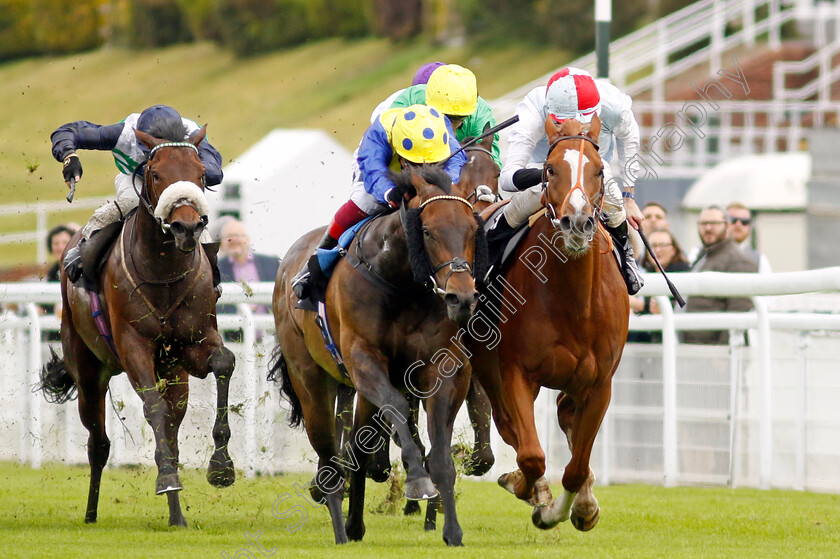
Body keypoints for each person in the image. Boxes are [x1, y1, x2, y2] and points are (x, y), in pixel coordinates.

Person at [291, 104, 466, 300]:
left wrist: (442, 187)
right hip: (380, 172)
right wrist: (389, 193)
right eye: (416, 163)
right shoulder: (379, 133)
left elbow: (458, 159)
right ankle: (313, 264)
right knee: (363, 203)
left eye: (428, 163)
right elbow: (372, 170)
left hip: (429, 177)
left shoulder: (441, 129)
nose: (422, 168)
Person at [497, 67, 644, 294]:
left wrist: (629, 195)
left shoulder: (614, 104)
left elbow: (630, 138)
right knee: (520, 206)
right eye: (567, 123)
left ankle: (627, 257)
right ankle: (489, 259)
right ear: (551, 115)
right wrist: (552, 175)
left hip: (592, 169)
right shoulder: (534, 106)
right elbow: (507, 179)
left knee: (615, 206)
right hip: (548, 170)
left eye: (584, 123)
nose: (578, 128)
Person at [51, 104, 224, 282]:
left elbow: (215, 172)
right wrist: (69, 156)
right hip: (135, 176)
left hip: (178, 180)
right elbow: (67, 132)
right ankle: (84, 246)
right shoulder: (124, 134)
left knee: (190, 212)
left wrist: (192, 168)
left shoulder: (192, 135)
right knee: (132, 200)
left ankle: (211, 269)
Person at [683, 205, 759, 345]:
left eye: (714, 223)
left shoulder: (738, 259)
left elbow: (739, 310)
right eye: (704, 223)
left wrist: (723, 353)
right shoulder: (704, 256)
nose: (708, 228)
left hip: (715, 351)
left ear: (728, 226)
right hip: (694, 345)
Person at [628, 228, 689, 343]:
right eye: (653, 245)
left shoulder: (682, 272)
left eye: (663, 245)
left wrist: (639, 305)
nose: (657, 250)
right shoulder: (647, 273)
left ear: (674, 250)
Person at [727, 202, 772, 273]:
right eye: (733, 220)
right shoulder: (708, 255)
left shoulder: (760, 260)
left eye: (744, 221)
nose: (738, 224)